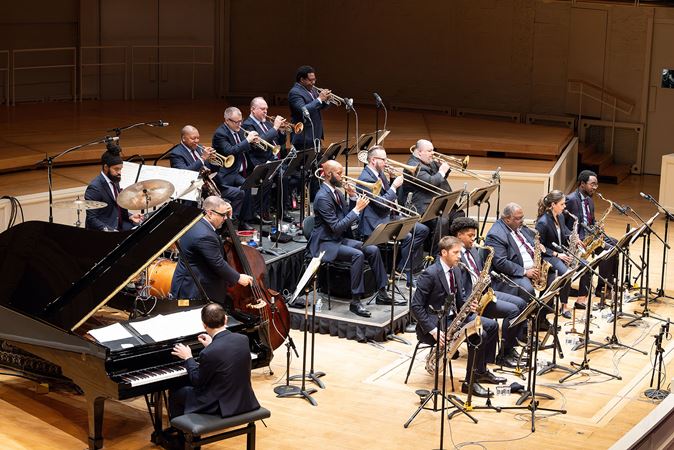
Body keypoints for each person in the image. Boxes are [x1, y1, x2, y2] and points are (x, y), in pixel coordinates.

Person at [411, 236, 503, 398]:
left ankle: (480, 371)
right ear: (444, 252)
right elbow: (416, 307)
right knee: (479, 336)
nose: (460, 256)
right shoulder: (430, 274)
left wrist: (470, 306)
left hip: (455, 318)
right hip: (436, 323)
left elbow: (460, 300)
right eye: (455, 252)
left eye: (460, 252)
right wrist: (433, 331)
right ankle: (470, 382)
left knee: (492, 326)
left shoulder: (458, 270)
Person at [307, 160, 393, 317]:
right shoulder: (322, 197)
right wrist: (357, 209)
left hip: (337, 239)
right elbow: (337, 226)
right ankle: (355, 301)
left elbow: (345, 216)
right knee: (357, 255)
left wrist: (353, 198)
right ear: (328, 174)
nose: (343, 177)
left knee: (372, 249)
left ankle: (382, 292)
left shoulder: (338, 192)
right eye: (339, 174)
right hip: (325, 243)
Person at [450, 217, 527, 367]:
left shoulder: (473, 250)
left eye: (474, 235)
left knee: (522, 303)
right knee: (513, 311)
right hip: (471, 300)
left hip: (484, 293)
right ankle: (503, 355)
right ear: (459, 235)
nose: (474, 239)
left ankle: (509, 349)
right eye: (470, 236)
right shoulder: (456, 256)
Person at [170, 303, 260, 418]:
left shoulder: (208, 352)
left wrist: (188, 358)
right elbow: (224, 353)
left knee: (176, 393)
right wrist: (212, 345)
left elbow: (197, 381)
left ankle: (179, 433)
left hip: (219, 405)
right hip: (243, 399)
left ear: (204, 325)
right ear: (226, 319)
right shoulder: (243, 339)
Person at [357, 145, 429, 287]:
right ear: (372, 160)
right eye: (383, 159)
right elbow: (381, 204)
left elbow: (388, 196)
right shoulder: (366, 178)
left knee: (422, 230)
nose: (386, 162)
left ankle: (401, 267)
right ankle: (407, 274)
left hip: (387, 216)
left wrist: (391, 180)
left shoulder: (379, 172)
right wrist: (394, 186)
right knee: (408, 236)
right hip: (375, 222)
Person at [484, 203, 557, 330]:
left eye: (522, 217)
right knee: (527, 289)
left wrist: (538, 247)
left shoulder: (519, 227)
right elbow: (501, 262)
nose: (522, 221)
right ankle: (522, 329)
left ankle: (540, 319)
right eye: (518, 218)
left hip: (531, 267)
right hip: (510, 274)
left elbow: (531, 240)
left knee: (552, 276)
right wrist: (525, 272)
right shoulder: (496, 234)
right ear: (507, 219)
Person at [170, 196, 253, 303]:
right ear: (209, 213)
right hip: (193, 289)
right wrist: (238, 277)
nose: (225, 218)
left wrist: (227, 214)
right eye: (222, 215)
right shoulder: (204, 236)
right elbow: (217, 263)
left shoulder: (197, 221)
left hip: (192, 282)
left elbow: (217, 230)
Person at [168, 125, 244, 219]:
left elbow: (213, 170)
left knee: (239, 193)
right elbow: (184, 173)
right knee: (217, 203)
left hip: (211, 186)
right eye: (193, 138)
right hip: (195, 191)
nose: (196, 141)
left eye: (198, 138)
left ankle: (230, 222)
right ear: (184, 138)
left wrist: (215, 161)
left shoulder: (199, 149)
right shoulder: (176, 153)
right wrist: (202, 158)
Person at [564, 170, 618, 301]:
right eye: (592, 184)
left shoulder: (590, 200)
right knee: (608, 250)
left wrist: (598, 227)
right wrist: (574, 238)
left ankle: (604, 286)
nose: (595, 187)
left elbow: (591, 220)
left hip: (591, 236)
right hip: (579, 240)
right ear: (582, 184)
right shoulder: (570, 200)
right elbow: (562, 224)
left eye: (596, 184)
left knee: (616, 244)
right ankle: (603, 288)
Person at [404, 139, 464, 250]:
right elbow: (430, 183)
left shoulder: (427, 161)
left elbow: (440, 179)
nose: (433, 153)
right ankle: (439, 252)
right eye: (429, 151)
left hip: (433, 201)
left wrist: (444, 170)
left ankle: (455, 248)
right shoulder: (413, 167)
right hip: (421, 206)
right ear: (419, 152)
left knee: (458, 214)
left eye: (433, 150)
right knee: (442, 220)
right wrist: (441, 171)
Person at [241, 97, 291, 224]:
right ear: (253, 109)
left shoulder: (267, 123)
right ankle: (260, 212)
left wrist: (281, 131)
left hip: (271, 160)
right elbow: (258, 143)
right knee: (267, 179)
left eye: (266, 109)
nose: (265, 112)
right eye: (262, 109)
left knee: (284, 176)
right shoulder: (247, 125)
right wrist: (275, 128)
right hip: (258, 161)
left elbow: (279, 142)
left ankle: (282, 210)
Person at [212, 107, 260, 230]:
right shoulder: (220, 133)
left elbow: (243, 148)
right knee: (240, 192)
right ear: (227, 120)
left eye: (241, 121)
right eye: (236, 122)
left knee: (249, 185)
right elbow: (230, 151)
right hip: (224, 175)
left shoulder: (238, 130)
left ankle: (244, 221)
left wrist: (253, 143)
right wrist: (247, 140)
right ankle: (231, 224)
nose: (240, 124)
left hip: (235, 172)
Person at [535, 190, 576, 318]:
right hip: (548, 257)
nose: (565, 207)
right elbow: (538, 246)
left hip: (560, 252)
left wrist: (574, 237)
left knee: (584, 265)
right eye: (562, 204)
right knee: (566, 273)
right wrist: (557, 255)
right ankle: (564, 306)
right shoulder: (543, 222)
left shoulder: (560, 216)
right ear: (553, 204)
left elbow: (565, 231)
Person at [85, 144, 143, 231]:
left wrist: (130, 216)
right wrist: (110, 230)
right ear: (106, 167)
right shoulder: (95, 188)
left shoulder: (114, 180)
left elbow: (116, 208)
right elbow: (91, 219)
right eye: (116, 169)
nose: (119, 172)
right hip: (106, 229)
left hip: (119, 224)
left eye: (121, 169)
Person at [288, 65, 330, 151]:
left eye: (314, 79)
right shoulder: (295, 92)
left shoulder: (312, 89)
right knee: (304, 163)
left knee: (316, 162)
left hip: (315, 135)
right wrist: (319, 99)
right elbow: (303, 110)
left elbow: (319, 107)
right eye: (310, 80)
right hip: (304, 136)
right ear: (302, 80)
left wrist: (326, 100)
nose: (313, 82)